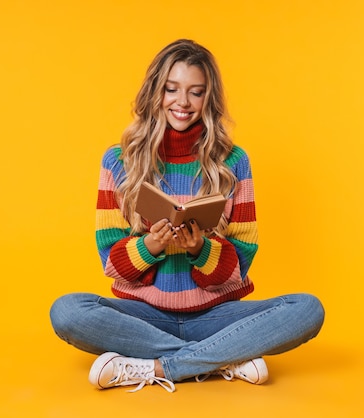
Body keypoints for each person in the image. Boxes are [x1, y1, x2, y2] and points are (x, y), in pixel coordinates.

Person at [49, 39, 324, 393]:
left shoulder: (233, 161)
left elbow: (242, 261)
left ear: (209, 99)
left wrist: (201, 250)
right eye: (172, 89)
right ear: (155, 92)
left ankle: (160, 366)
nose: (183, 102)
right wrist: (150, 245)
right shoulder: (118, 161)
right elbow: (111, 263)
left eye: (196, 92)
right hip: (145, 319)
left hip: (216, 318)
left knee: (307, 309)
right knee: (68, 311)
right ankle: (224, 359)